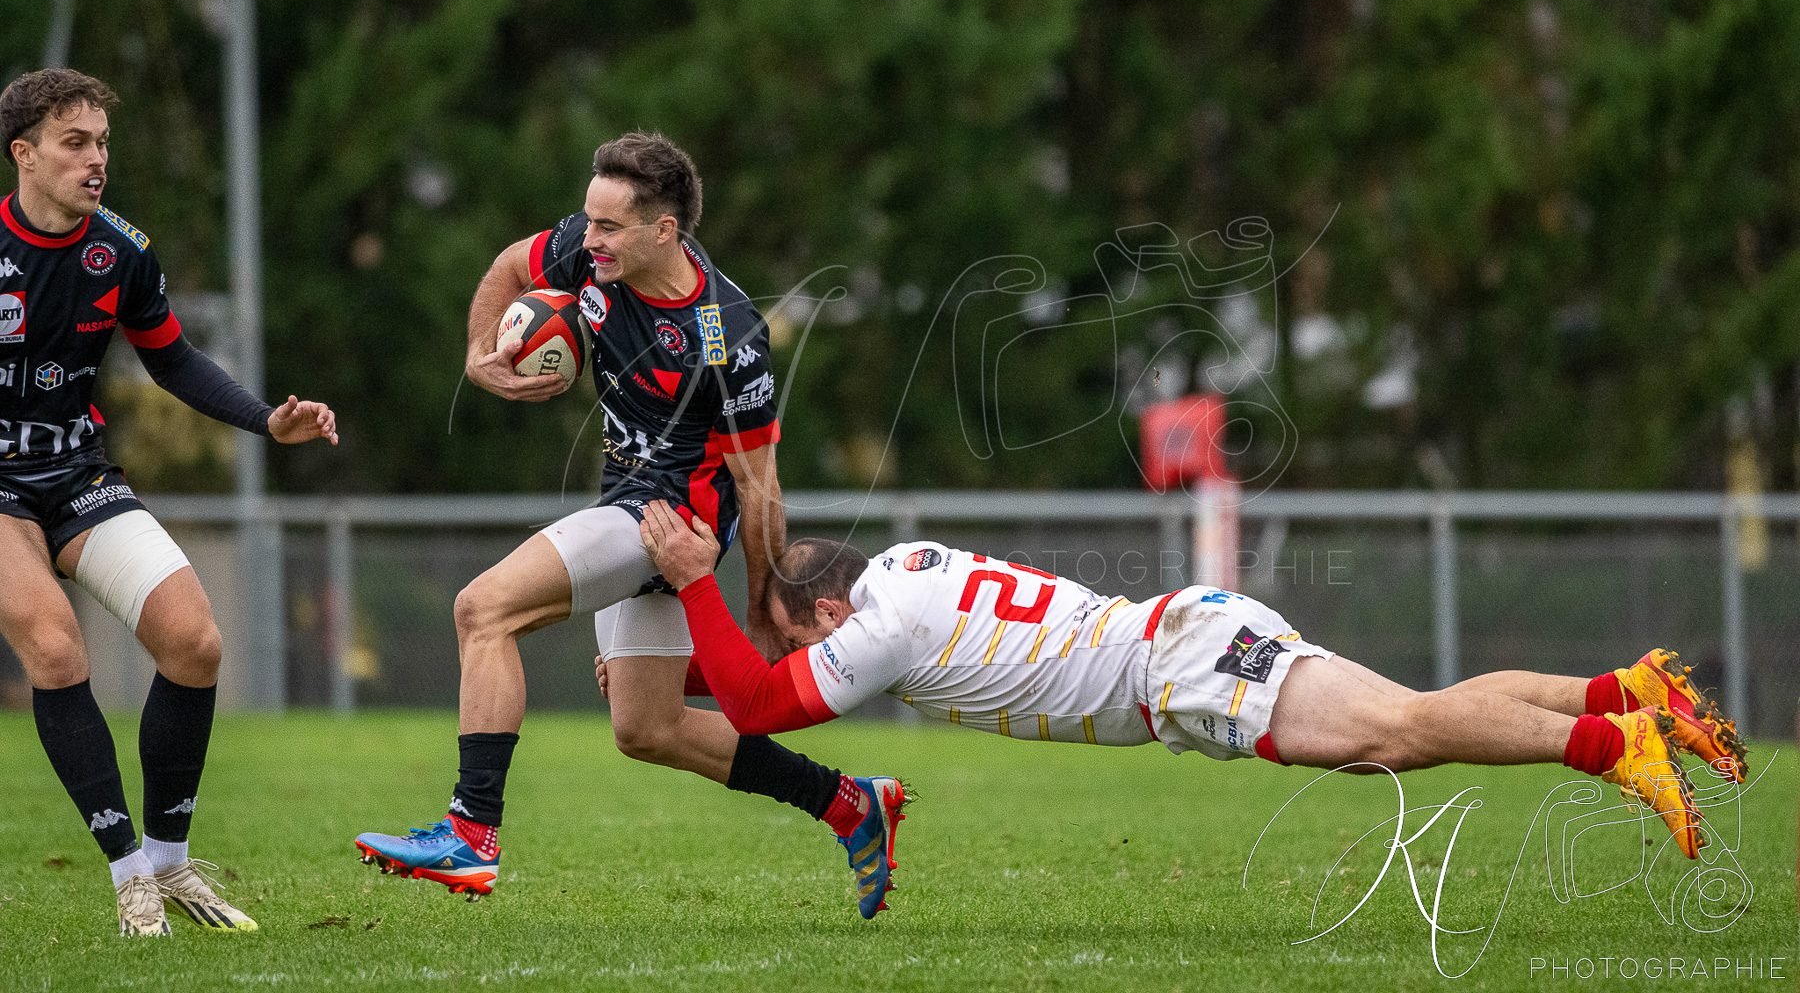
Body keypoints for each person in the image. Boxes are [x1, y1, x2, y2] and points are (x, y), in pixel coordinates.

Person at [354, 133, 905, 918]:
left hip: (671, 520)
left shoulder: (727, 330)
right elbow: (511, 267)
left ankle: (470, 834)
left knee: (482, 609)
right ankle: (849, 804)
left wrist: (759, 606)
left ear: (665, 230)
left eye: (610, 226)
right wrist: (481, 351)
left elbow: (759, 483)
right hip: (626, 498)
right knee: (646, 727)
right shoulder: (588, 251)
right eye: (589, 220)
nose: (590, 238)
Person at [623, 501, 1748, 865]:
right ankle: (1629, 688)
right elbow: (762, 686)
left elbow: (765, 705)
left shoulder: (877, 628)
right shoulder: (905, 569)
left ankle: (1616, 747)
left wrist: (695, 588)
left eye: (796, 640)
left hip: (1180, 666)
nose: (800, 665)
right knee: (1413, 707)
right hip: (1183, 641)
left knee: (1398, 733)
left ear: (827, 614)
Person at [0, 69, 339, 937]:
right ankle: (127, 880)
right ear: (24, 154)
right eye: (75, 143)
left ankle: (171, 860)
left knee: (195, 642)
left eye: (103, 143)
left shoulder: (120, 251)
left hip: (76, 473)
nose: (96, 160)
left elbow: (174, 360)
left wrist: (268, 419)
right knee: (54, 644)